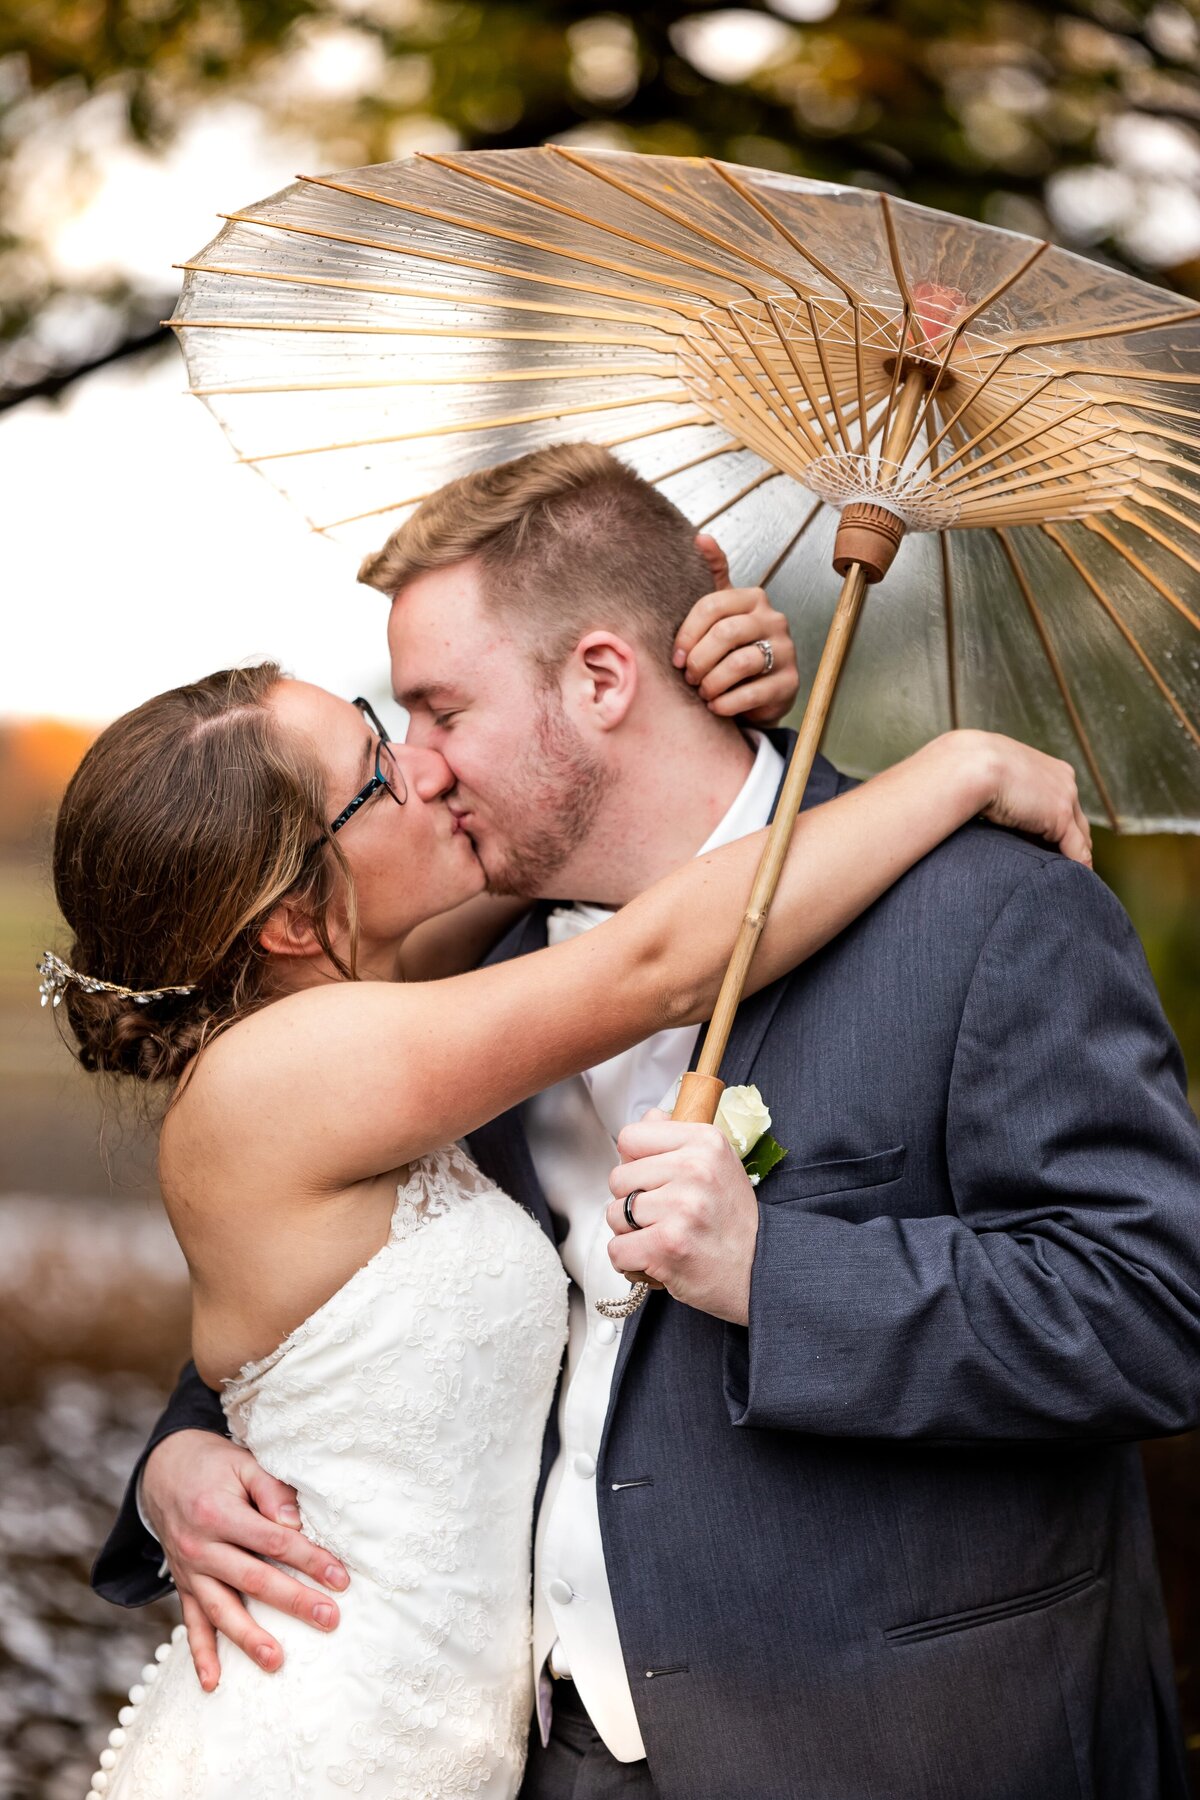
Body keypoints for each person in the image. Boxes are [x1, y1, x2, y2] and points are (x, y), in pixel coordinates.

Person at [94, 445, 1199, 1800]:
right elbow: (320, 1322)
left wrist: (775, 1277)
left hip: (894, 1751)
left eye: (437, 712)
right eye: (393, 746)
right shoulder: (465, 990)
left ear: (606, 678)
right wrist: (180, 1459)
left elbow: (1157, 1312)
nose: (426, 773)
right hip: (513, 1761)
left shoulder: (990, 914)